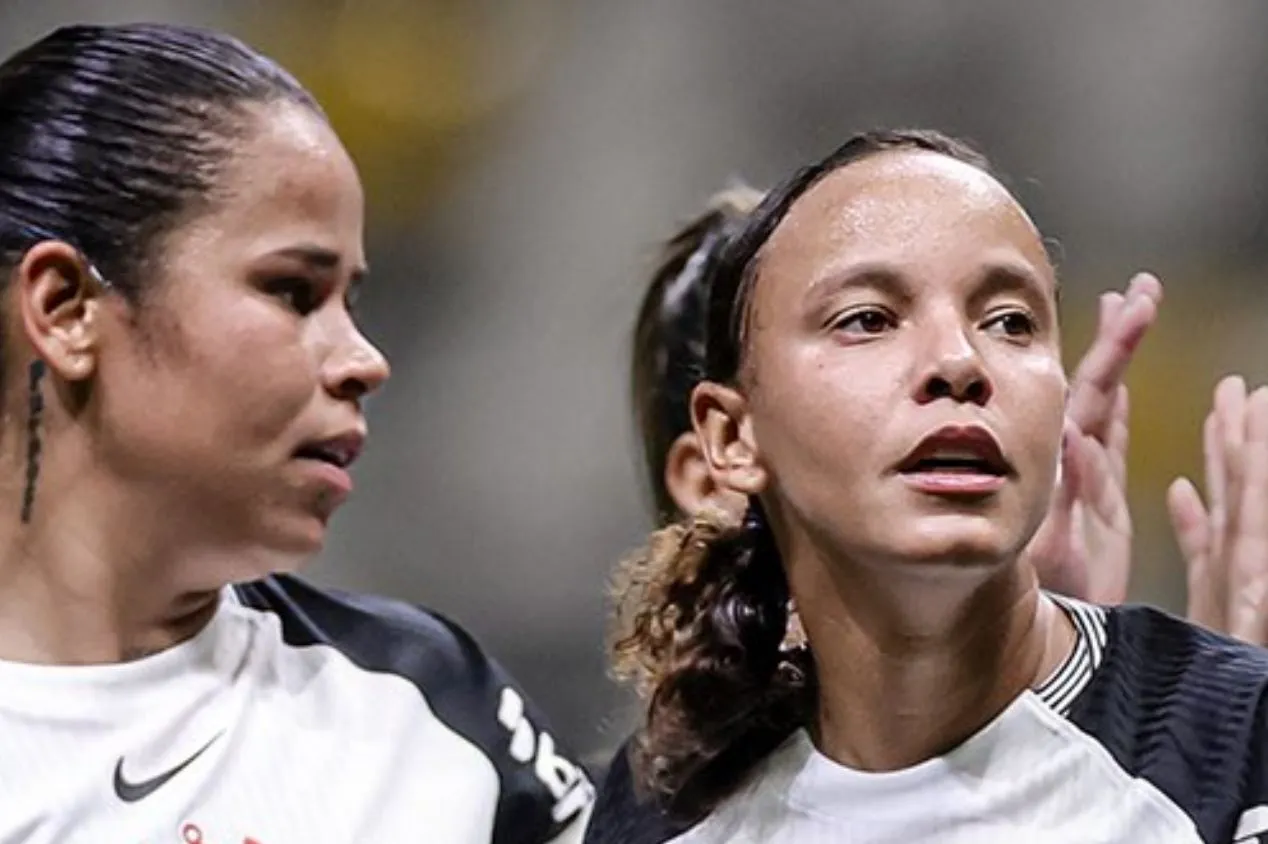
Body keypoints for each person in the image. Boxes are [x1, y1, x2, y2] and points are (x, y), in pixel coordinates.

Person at [587, 129, 1268, 843]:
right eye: (868, 319)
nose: (958, 359)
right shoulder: (664, 812)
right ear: (730, 438)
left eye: (1010, 321)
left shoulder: (1236, 749)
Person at [0, 23, 591, 843]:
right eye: (292, 290)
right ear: (66, 307)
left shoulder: (431, 716)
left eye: (352, 300)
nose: (364, 361)